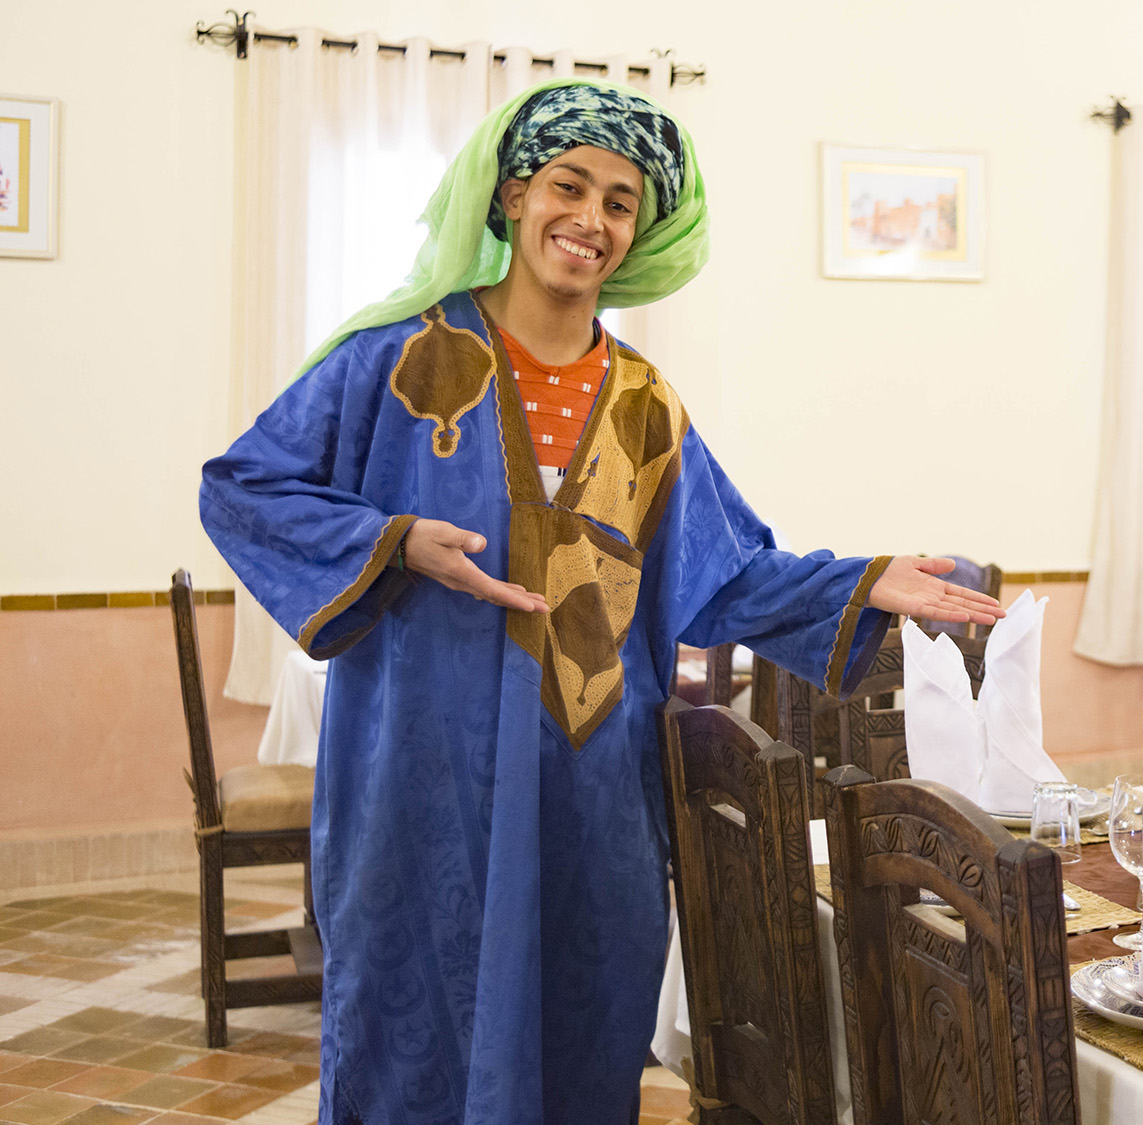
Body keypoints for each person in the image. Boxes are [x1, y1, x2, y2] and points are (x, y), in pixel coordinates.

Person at [200, 78, 1001, 1124]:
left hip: (593, 795)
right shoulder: (398, 357)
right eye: (569, 186)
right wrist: (391, 542)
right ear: (511, 198)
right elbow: (245, 486)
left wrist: (858, 581)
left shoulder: (644, 404)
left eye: (621, 202)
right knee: (411, 1037)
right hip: (417, 786)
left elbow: (721, 573)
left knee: (581, 1038)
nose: (591, 218)